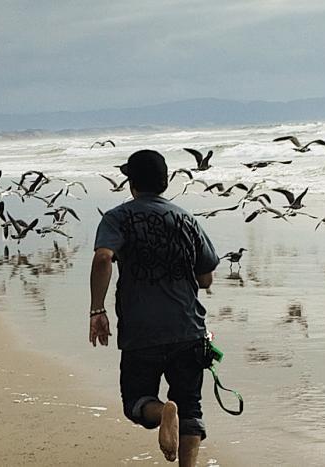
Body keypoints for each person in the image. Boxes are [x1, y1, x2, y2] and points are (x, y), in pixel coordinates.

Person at [89, 150, 219, 466]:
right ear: (164, 182)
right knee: (191, 406)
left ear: (131, 183)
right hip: (189, 329)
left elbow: (104, 257)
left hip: (140, 331)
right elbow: (205, 278)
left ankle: (163, 413)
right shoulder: (187, 220)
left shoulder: (117, 218)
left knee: (136, 401)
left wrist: (97, 310)